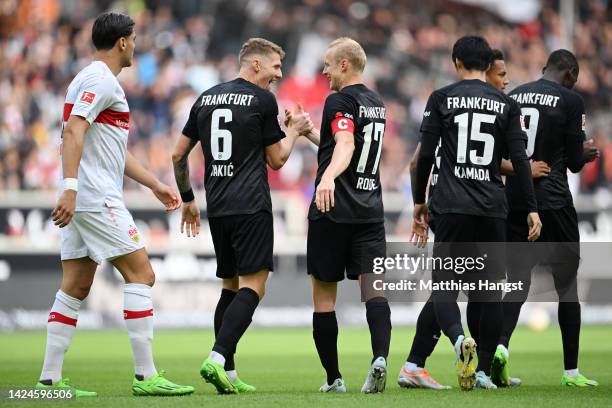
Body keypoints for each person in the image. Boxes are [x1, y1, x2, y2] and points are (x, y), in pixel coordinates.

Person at [37, 12, 194, 397]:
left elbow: (107, 148)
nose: (136, 46)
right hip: (92, 197)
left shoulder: (90, 80)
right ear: (123, 42)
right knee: (142, 275)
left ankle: (49, 381)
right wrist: (71, 189)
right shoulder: (99, 79)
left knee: (75, 285)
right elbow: (74, 131)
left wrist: (156, 183)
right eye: (135, 39)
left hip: (84, 196)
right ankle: (146, 376)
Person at [172, 37, 313, 394]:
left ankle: (229, 374)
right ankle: (217, 358)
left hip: (218, 207)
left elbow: (177, 156)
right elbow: (278, 160)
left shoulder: (205, 98)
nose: (278, 74)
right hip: (251, 205)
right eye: (275, 67)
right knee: (255, 285)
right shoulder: (262, 99)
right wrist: (294, 131)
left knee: (230, 286)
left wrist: (188, 198)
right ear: (255, 65)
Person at [412, 36, 541, 390]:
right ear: (487, 65)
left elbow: (425, 157)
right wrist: (531, 208)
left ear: (456, 61)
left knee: (445, 286)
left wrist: (418, 200)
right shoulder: (505, 103)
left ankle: (458, 341)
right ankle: (483, 371)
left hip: (451, 205)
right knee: (489, 292)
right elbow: (519, 161)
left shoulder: (442, 98)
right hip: (491, 207)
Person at [495, 49, 600, 387]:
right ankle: (571, 372)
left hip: (515, 200)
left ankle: (499, 350)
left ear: (545, 68)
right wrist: (584, 154)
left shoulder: (514, 95)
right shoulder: (570, 101)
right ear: (569, 73)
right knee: (566, 286)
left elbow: (499, 154)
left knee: (517, 281)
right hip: (553, 201)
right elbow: (571, 161)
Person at [303, 37, 391, 394]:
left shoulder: (340, 99)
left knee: (324, 297)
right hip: (370, 212)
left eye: (327, 63)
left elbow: (346, 144)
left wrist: (326, 177)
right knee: (375, 291)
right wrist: (310, 131)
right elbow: (342, 145)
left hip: (333, 211)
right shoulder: (376, 102)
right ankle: (380, 359)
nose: (323, 70)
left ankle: (333, 378)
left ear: (344, 64)